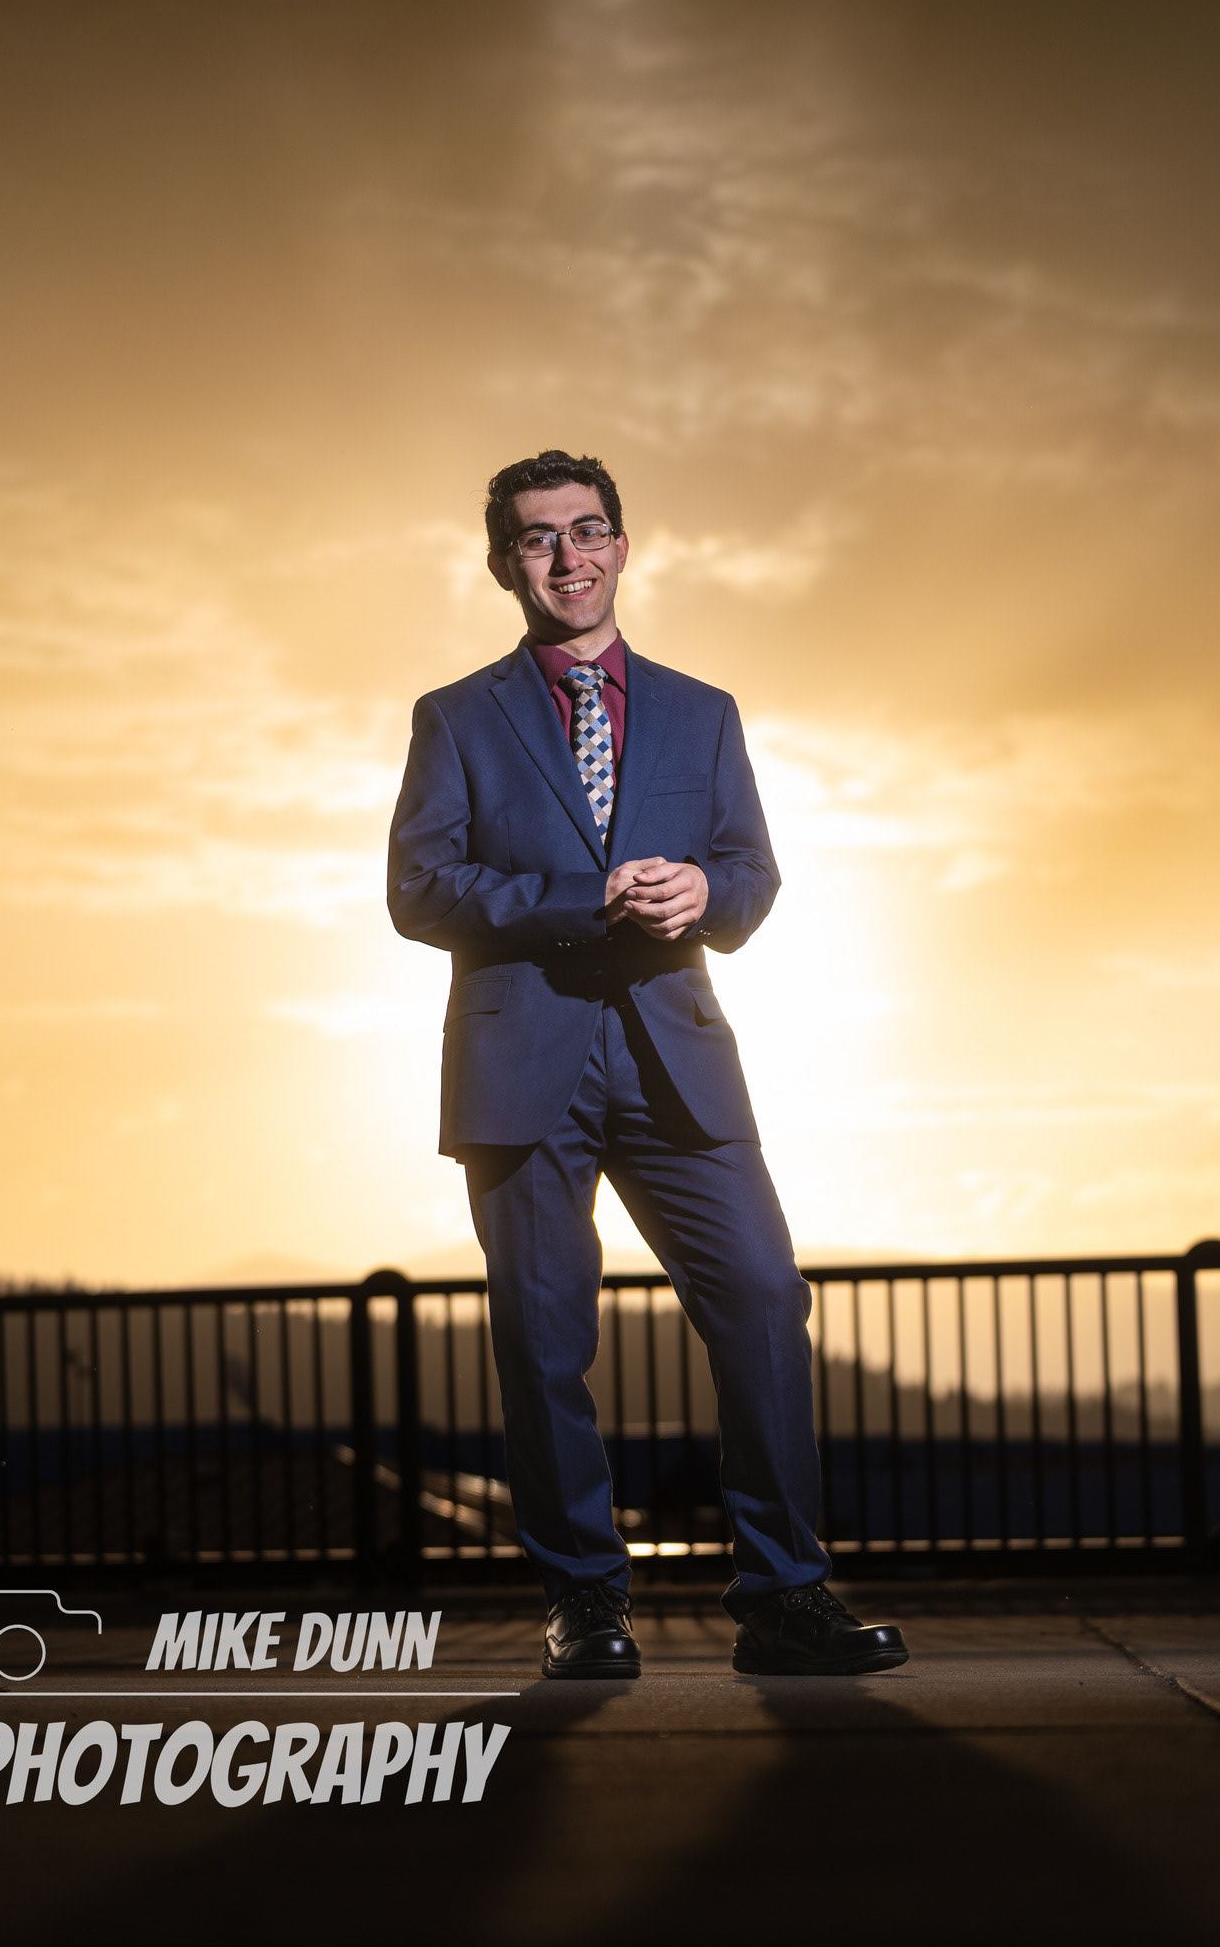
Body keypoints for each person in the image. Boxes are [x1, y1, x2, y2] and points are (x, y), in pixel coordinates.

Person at [387, 448, 907, 1681]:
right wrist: (583, 897)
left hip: (674, 1052)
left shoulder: (701, 710)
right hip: (522, 1057)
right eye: (536, 537)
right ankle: (583, 1599)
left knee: (763, 1298)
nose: (565, 556)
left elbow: (751, 873)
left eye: (585, 530)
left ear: (621, 546)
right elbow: (419, 888)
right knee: (541, 1334)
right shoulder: (454, 716)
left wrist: (703, 891)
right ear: (502, 563)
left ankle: (783, 1595)